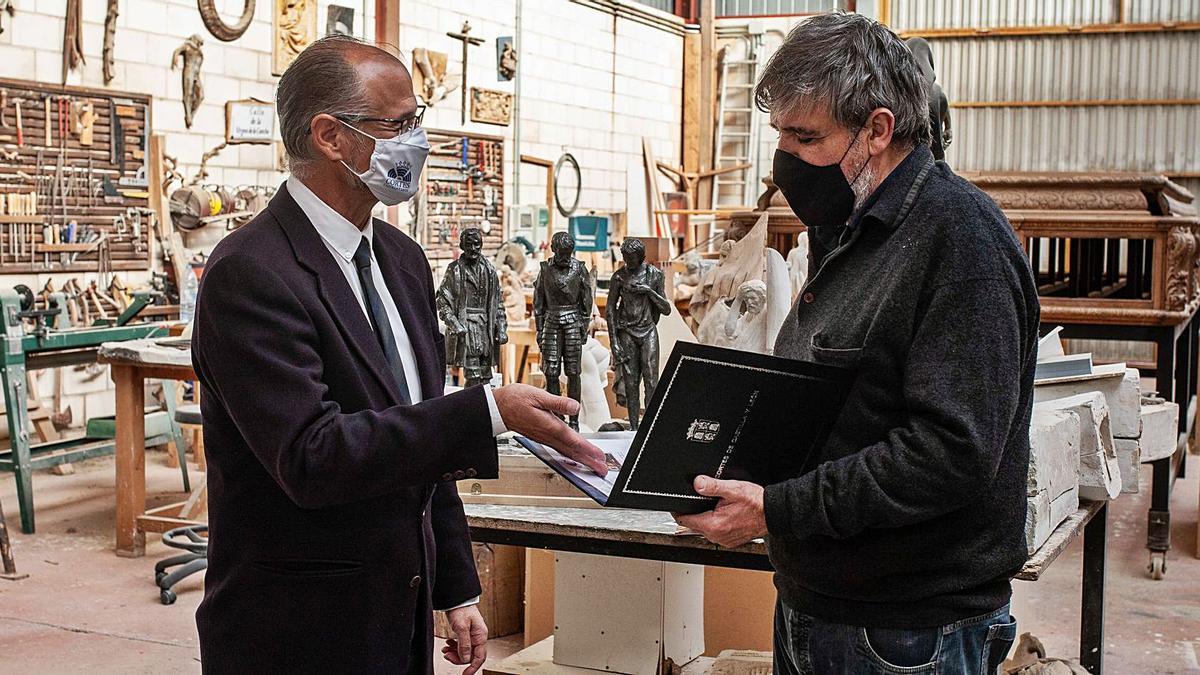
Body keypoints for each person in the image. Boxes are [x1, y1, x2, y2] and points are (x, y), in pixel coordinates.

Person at [191, 35, 606, 674]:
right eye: (401, 124)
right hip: (296, 627)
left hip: (397, 610)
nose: (419, 142)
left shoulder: (401, 260)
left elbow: (418, 430)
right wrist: (489, 411)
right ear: (330, 136)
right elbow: (313, 455)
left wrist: (454, 582)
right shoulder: (250, 273)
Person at [675, 13, 1039, 675]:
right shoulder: (850, 229)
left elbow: (950, 453)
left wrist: (777, 507)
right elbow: (842, 401)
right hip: (824, 602)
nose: (786, 158)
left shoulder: (959, 242)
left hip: (902, 631)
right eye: (780, 133)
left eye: (806, 136)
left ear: (877, 129)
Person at [606, 238, 671, 430]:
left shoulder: (654, 275)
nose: (628, 262)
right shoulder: (619, 277)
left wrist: (649, 291)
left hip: (648, 330)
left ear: (641, 257)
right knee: (631, 382)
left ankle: (650, 428)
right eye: (625, 258)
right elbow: (610, 310)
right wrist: (614, 342)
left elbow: (666, 309)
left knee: (651, 380)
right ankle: (634, 428)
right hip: (627, 332)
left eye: (632, 258)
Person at [532, 232, 592, 431]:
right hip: (551, 321)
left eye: (568, 252)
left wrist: (584, 325)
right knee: (551, 372)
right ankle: (556, 419)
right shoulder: (545, 269)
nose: (566, 256)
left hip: (573, 320)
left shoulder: (580, 269)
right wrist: (540, 328)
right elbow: (539, 300)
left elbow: (586, 299)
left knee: (574, 371)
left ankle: (573, 420)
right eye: (562, 252)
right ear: (554, 250)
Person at [437, 228, 508, 388]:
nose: (473, 248)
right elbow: (442, 301)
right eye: (469, 244)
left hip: (486, 328)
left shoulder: (489, 270)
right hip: (466, 325)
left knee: (486, 375)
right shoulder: (454, 270)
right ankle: (472, 410)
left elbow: (498, 303)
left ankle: (484, 411)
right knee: (474, 375)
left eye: (477, 244)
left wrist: (502, 328)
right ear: (462, 245)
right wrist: (455, 324)